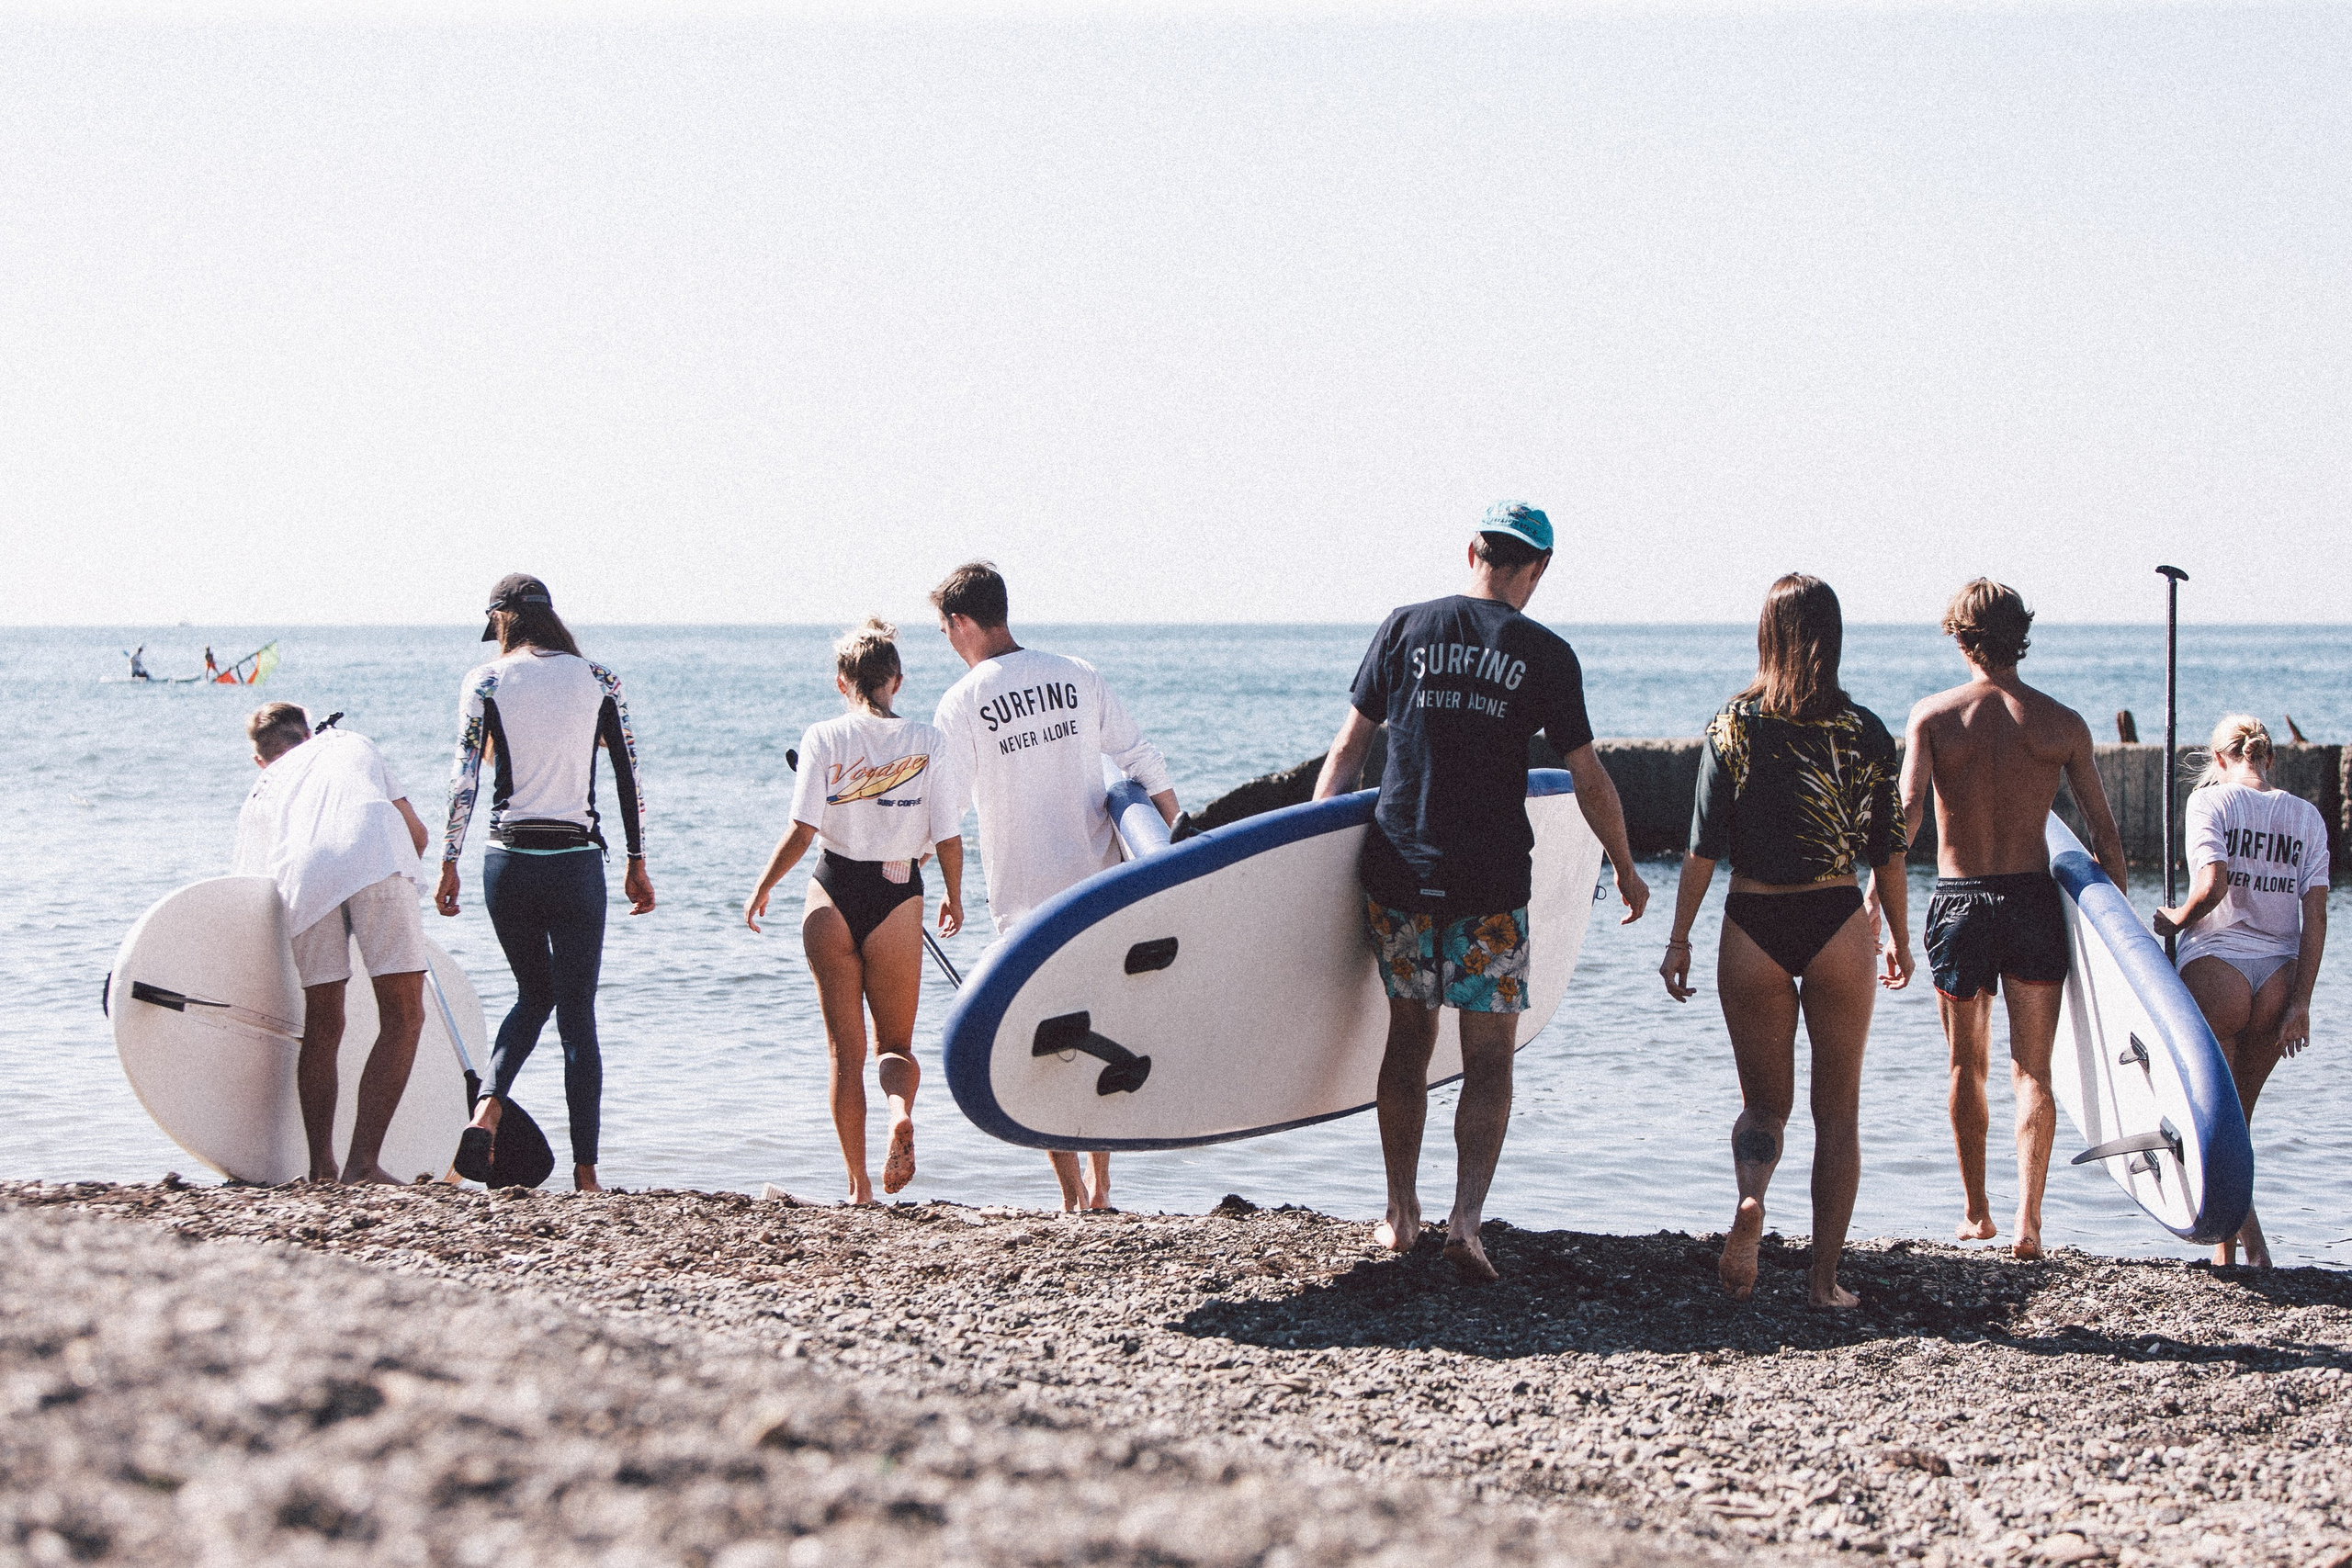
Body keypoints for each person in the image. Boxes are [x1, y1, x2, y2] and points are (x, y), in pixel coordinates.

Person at [1315, 502, 1648, 1282]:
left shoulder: (1403, 628)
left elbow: (1348, 750)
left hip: (1399, 869)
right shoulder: (1544, 652)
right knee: (1490, 1053)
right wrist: (1625, 866)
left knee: (1407, 1037)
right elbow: (1587, 777)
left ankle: (1400, 1215)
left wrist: (1312, 849)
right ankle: (1466, 1219)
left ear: (1472, 551)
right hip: (1490, 882)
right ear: (1538, 569)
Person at [1660, 573, 1908, 1309]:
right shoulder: (1864, 731)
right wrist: (1897, 934)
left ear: (1763, 635)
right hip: (1835, 921)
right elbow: (1887, 850)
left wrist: (1678, 939)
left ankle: (1751, 1199)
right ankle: (1824, 1281)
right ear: (1832, 639)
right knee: (1839, 1114)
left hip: (1753, 926)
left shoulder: (1733, 725)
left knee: (1765, 1106)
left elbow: (1701, 849)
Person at [930, 560, 1180, 1213]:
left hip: (1024, 903)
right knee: (1105, 1025)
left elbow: (947, 809)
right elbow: (1142, 760)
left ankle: (1070, 1194)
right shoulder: (1076, 673)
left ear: (961, 623)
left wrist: (934, 877)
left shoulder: (963, 701)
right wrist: (1176, 846)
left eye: (946, 629)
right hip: (1100, 889)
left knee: (1042, 1041)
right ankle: (1102, 1189)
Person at [1902, 579, 2125, 1260]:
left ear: (1961, 637)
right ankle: (2030, 1221)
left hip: (1960, 904)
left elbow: (1903, 821)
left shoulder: (1934, 718)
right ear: (2019, 636)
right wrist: (2119, 946)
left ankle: (1977, 1213)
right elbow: (2106, 841)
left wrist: (1877, 908)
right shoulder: (2062, 723)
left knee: (1966, 1067)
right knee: (2034, 1071)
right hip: (2032, 903)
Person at [437, 574, 655, 1192]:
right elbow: (627, 776)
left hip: (506, 861)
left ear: (503, 619)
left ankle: (488, 1108)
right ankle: (586, 1174)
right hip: (574, 862)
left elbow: (463, 779)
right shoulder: (599, 679)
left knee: (534, 994)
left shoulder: (484, 680)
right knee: (577, 1014)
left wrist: (450, 860)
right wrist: (638, 860)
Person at [743, 619, 966, 1204]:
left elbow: (802, 829)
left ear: (843, 682)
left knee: (844, 1051)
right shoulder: (929, 741)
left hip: (833, 892)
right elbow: (947, 836)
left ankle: (859, 1186)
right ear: (897, 679)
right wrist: (954, 894)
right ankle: (899, 1113)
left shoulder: (823, 737)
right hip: (898, 895)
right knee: (895, 1047)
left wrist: (763, 886)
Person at [232, 701, 432, 1183]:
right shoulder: (352, 742)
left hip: (301, 873)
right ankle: (363, 1164)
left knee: (323, 1023)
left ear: (261, 758)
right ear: (308, 733)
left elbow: (248, 883)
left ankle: (321, 1165)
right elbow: (419, 835)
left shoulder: (266, 784)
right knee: (404, 1015)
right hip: (375, 855)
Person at [2155, 716, 2329, 1268]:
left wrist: (2176, 918)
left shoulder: (2211, 802)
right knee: (2240, 1119)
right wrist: (2301, 1002)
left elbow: (2212, 886)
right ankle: (2241, 1246)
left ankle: (2235, 1247)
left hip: (2218, 969)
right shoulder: (2307, 817)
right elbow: (2317, 915)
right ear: (2269, 759)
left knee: (2217, 1119)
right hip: (2279, 978)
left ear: (2220, 758)